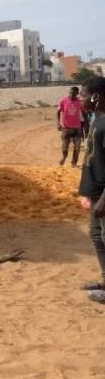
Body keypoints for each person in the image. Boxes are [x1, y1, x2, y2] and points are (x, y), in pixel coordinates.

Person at [77, 76, 105, 304]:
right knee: (97, 237)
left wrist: (102, 201)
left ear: (96, 97)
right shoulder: (97, 119)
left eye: (84, 94)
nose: (80, 97)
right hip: (95, 193)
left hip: (103, 197)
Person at [58, 86, 87, 168]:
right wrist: (58, 123)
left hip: (77, 128)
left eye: (73, 93)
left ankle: (73, 163)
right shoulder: (63, 101)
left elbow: (84, 114)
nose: (71, 95)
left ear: (77, 94)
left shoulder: (80, 102)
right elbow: (58, 112)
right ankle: (64, 157)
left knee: (77, 147)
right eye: (70, 93)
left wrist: (86, 126)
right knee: (65, 146)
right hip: (66, 128)